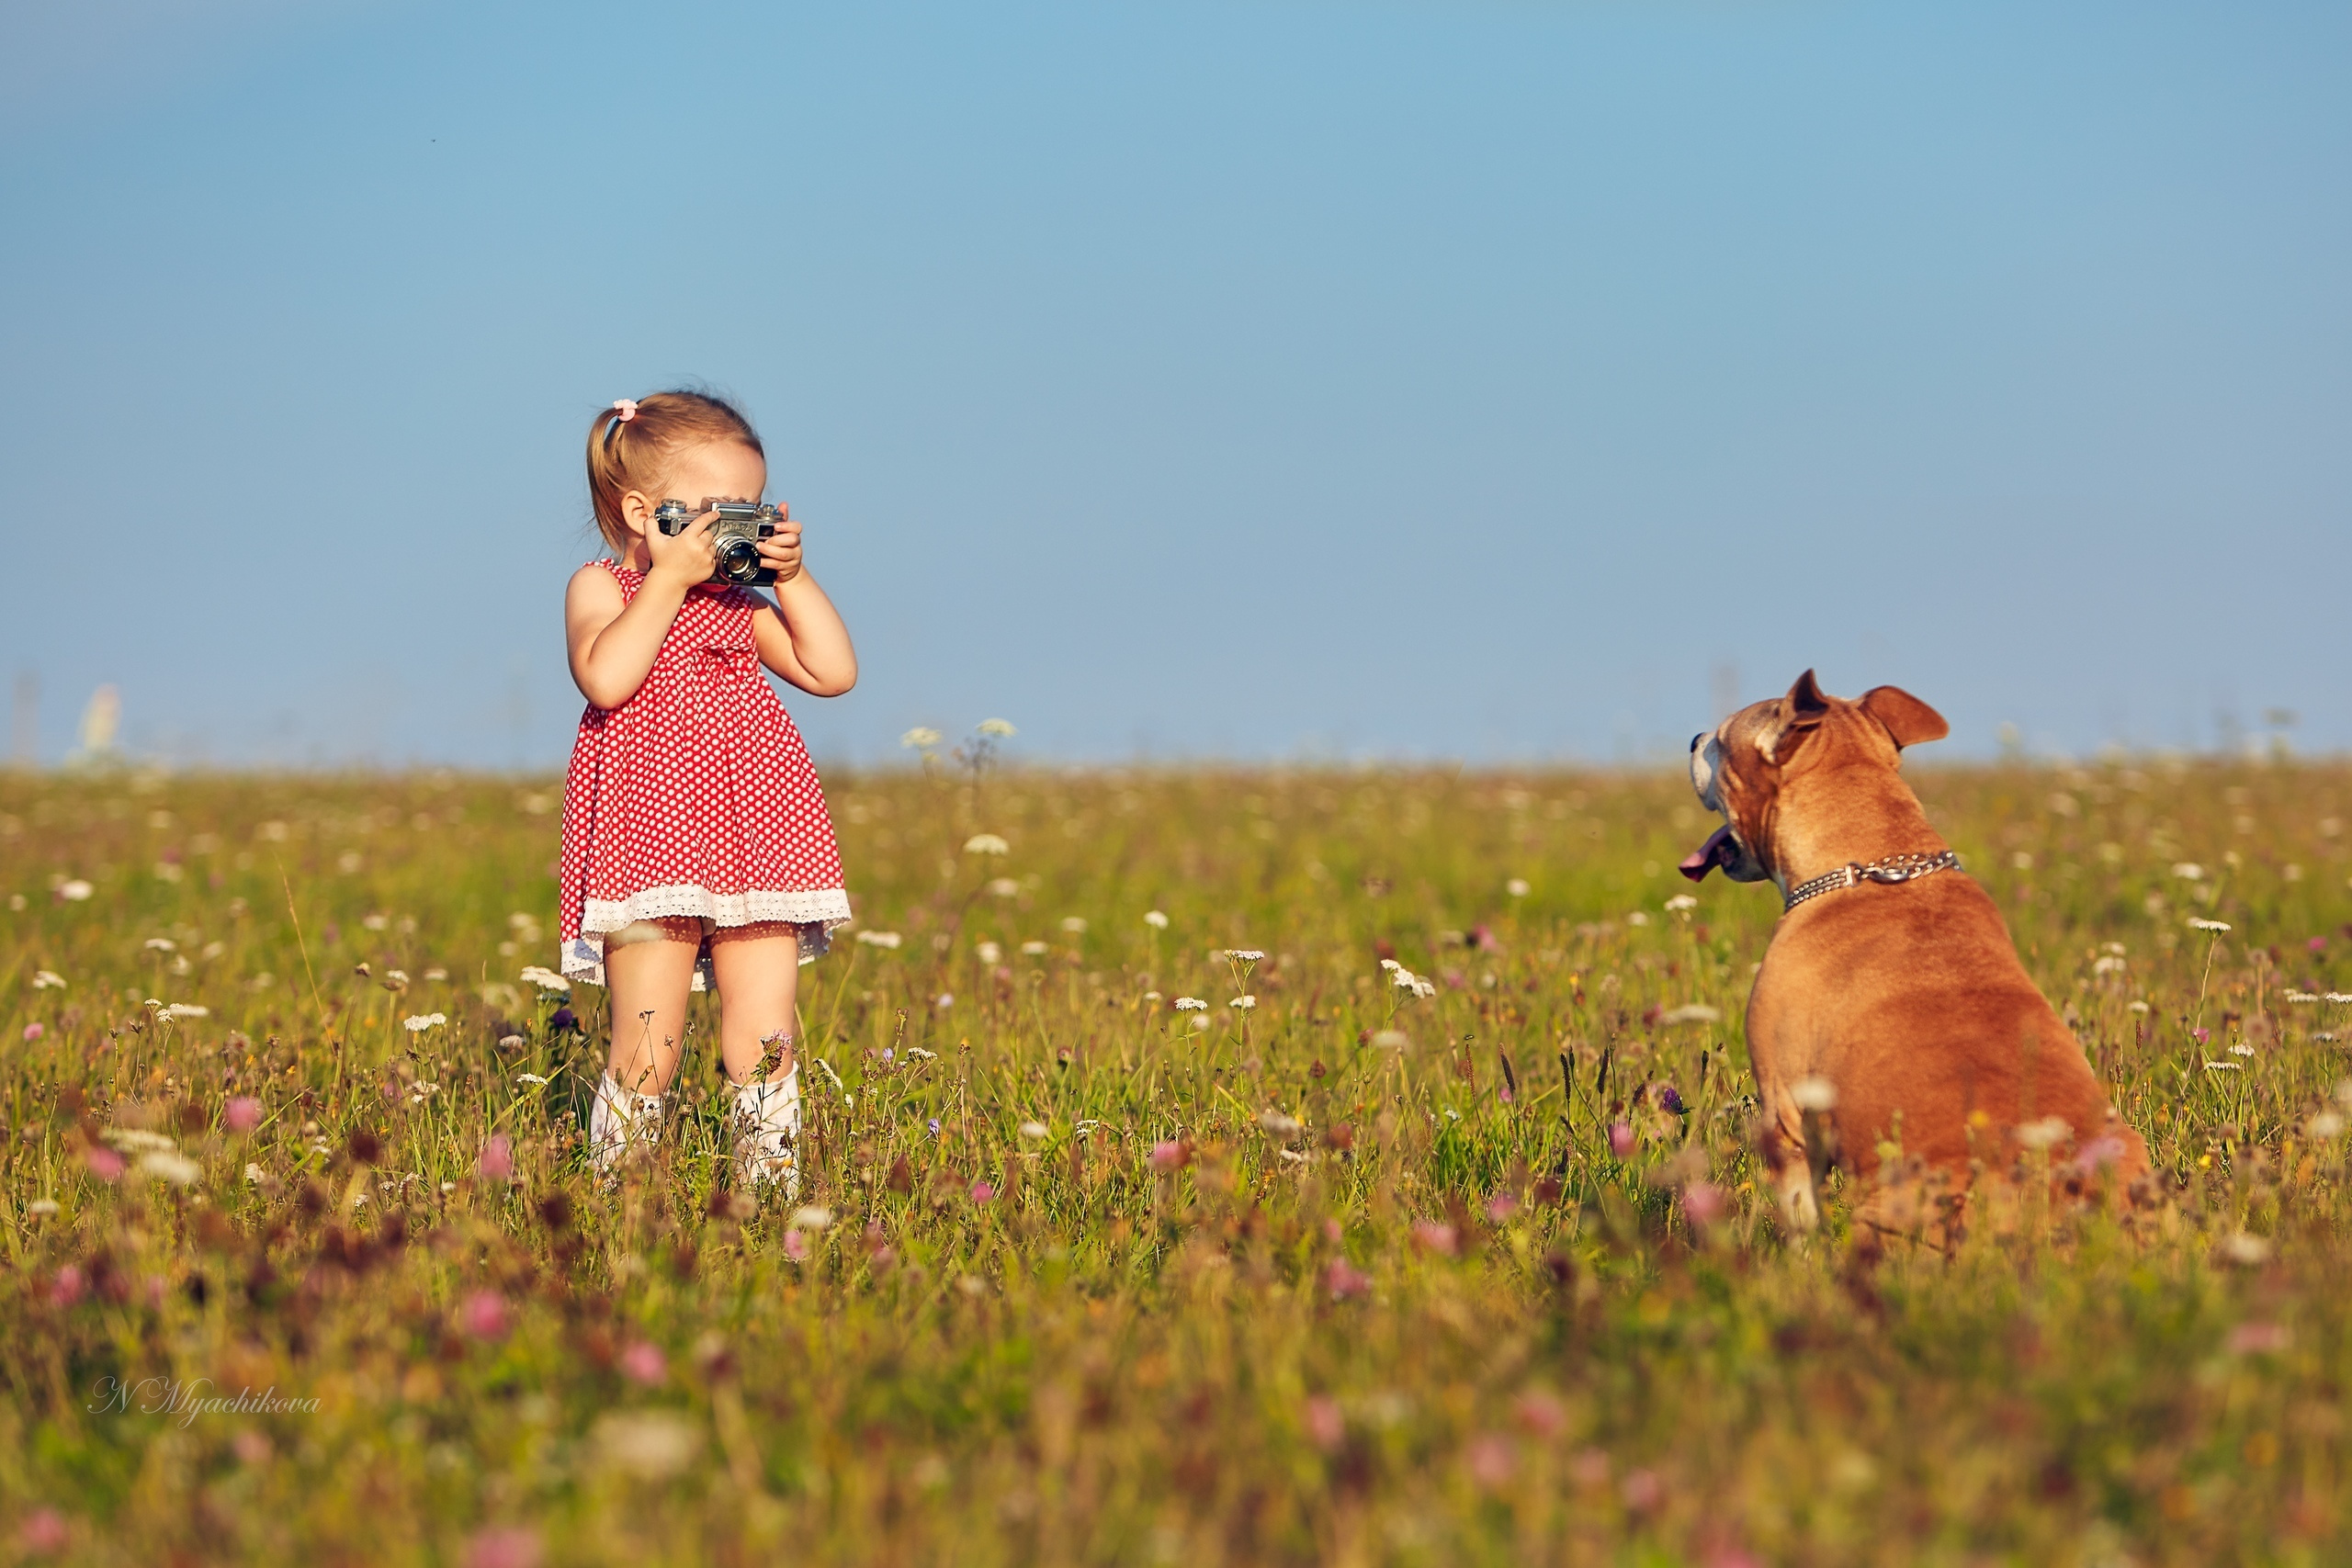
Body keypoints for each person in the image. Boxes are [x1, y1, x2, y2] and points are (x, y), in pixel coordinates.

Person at [557, 389, 856, 1192]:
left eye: (748, 510)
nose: (733, 529)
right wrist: (669, 579)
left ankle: (767, 1194)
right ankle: (619, 1196)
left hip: (759, 837)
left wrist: (791, 577)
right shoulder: (602, 590)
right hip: (647, 839)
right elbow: (608, 677)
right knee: (647, 1041)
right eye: (713, 512)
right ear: (641, 510)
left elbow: (833, 672)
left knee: (766, 1033)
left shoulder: (740, 607)